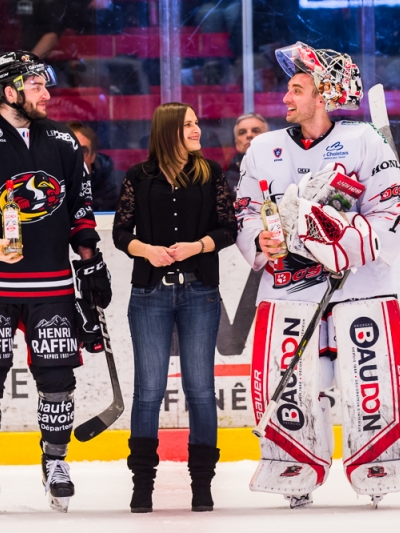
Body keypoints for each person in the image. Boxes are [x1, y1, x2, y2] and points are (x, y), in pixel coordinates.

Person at [235, 42, 400, 507]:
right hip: (289, 291)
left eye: (296, 90)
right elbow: (246, 214)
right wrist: (260, 241)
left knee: (368, 380)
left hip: (361, 289)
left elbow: (396, 211)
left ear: (324, 95)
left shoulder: (364, 141)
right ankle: (293, 468)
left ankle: (381, 467)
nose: (285, 99)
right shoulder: (263, 148)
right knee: (295, 383)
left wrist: (342, 244)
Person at [0, 51, 111, 514]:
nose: (47, 94)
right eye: (36, 87)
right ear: (9, 92)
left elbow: (81, 205)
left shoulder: (64, 141)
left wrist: (88, 258)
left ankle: (55, 462)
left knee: (57, 376)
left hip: (50, 281)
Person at [113, 102, 236, 514]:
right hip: (150, 294)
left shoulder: (211, 174)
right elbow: (120, 232)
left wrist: (198, 245)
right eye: (188, 125)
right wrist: (147, 251)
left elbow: (228, 228)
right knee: (148, 391)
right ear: (169, 130)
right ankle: (141, 483)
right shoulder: (139, 176)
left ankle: (202, 484)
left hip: (200, 291)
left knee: (200, 389)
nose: (197, 129)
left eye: (197, 122)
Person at [66, 121, 120, 212]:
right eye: (69, 150)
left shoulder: (111, 188)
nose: (76, 157)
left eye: (82, 151)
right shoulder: (51, 186)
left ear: (93, 156)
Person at [225, 113, 268, 197]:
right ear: (237, 144)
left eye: (256, 130)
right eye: (242, 132)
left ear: (268, 137)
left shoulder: (283, 169)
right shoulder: (226, 178)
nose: (249, 135)